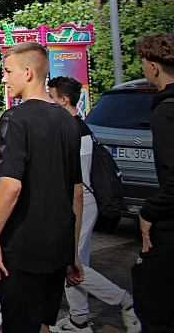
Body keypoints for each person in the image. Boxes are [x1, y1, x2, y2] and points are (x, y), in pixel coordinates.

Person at [0, 42, 84, 333]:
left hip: (22, 248)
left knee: (18, 325)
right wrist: (73, 253)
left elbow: (11, 186)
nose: (4, 78)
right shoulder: (68, 120)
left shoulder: (15, 119)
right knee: (42, 324)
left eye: (8, 71)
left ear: (28, 73)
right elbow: (75, 191)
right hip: (57, 246)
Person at [48, 76, 139, 333]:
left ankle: (124, 300)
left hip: (80, 203)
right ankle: (79, 319)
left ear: (64, 100)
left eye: (52, 97)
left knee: (72, 262)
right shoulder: (78, 127)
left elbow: (77, 181)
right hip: (81, 202)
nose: (49, 102)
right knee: (73, 261)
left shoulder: (73, 131)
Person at [132, 33, 174, 333]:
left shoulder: (165, 113)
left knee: (156, 307)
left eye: (145, 64)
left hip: (169, 228)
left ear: (154, 67)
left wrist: (148, 212)